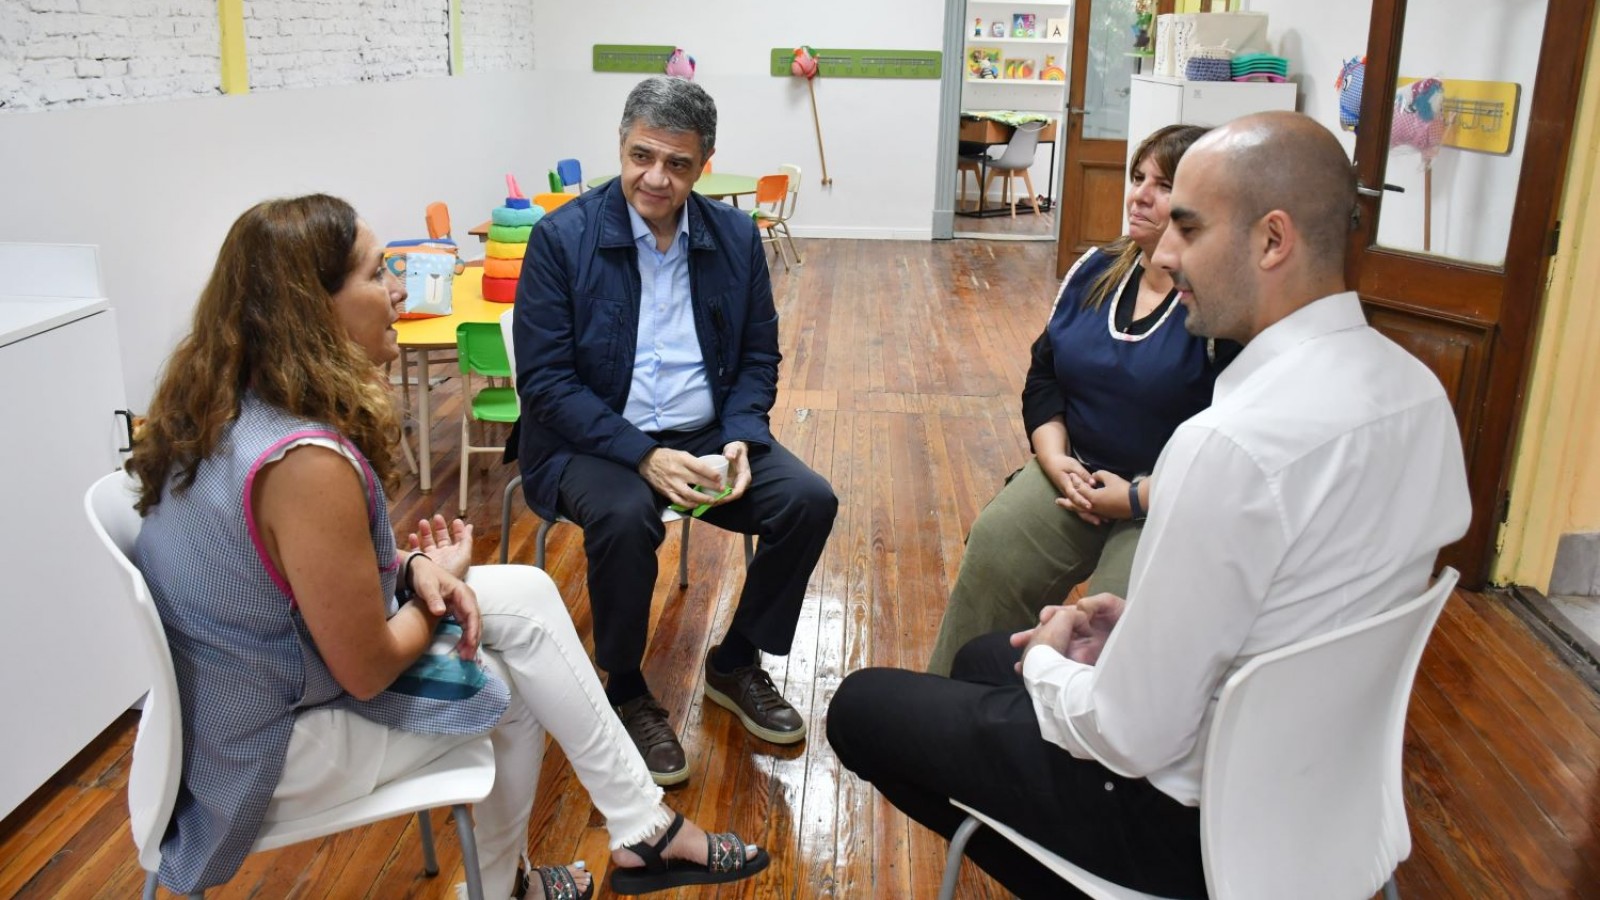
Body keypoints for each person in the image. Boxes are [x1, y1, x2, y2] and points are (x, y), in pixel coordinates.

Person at [827, 111, 1472, 899]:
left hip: (1192, 826)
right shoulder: (1418, 396)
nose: (1164, 250)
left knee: (862, 707)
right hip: (1323, 789)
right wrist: (1134, 629)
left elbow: (1130, 736)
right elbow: (1304, 604)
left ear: (1272, 242)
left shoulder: (1230, 445)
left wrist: (1048, 662)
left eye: (1188, 228)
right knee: (974, 662)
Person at [128, 194, 770, 899]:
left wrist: (413, 568)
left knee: (525, 594)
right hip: (264, 749)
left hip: (222, 705)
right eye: (378, 275)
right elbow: (369, 668)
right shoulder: (307, 464)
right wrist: (434, 600)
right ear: (311, 310)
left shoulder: (231, 405)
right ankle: (533, 878)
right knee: (514, 686)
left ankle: (637, 830)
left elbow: (269, 563)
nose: (401, 289)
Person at [512, 75, 838, 785]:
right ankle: (625, 688)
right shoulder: (561, 240)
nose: (654, 178)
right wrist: (642, 454)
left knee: (808, 500)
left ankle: (735, 661)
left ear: (705, 163)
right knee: (628, 516)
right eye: (641, 156)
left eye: (677, 164)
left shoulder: (733, 237)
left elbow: (757, 355)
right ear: (621, 144)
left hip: (705, 434)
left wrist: (741, 436)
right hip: (591, 442)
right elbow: (544, 385)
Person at [926, 123, 1234, 676]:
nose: (1138, 194)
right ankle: (952, 702)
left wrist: (1137, 498)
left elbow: (1233, 450)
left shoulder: (1221, 308)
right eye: (1138, 176)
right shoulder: (1094, 270)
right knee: (995, 549)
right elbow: (1045, 375)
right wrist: (1053, 458)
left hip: (1166, 500)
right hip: (1076, 473)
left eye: (1162, 185)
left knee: (1104, 623)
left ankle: (1052, 743)